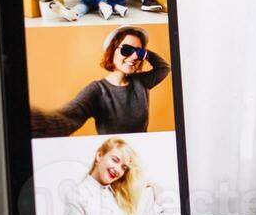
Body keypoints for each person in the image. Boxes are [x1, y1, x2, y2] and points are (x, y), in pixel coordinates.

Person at [39, 26, 172, 136]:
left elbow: (164, 68)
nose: (134, 56)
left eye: (138, 52)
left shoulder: (141, 81)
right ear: (112, 51)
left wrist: (146, 53)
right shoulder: (97, 90)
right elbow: (68, 117)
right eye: (127, 50)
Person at [63, 138, 169, 215]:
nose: (118, 170)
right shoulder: (76, 196)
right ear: (99, 155)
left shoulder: (115, 195)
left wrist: (157, 202)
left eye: (123, 167)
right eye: (115, 160)